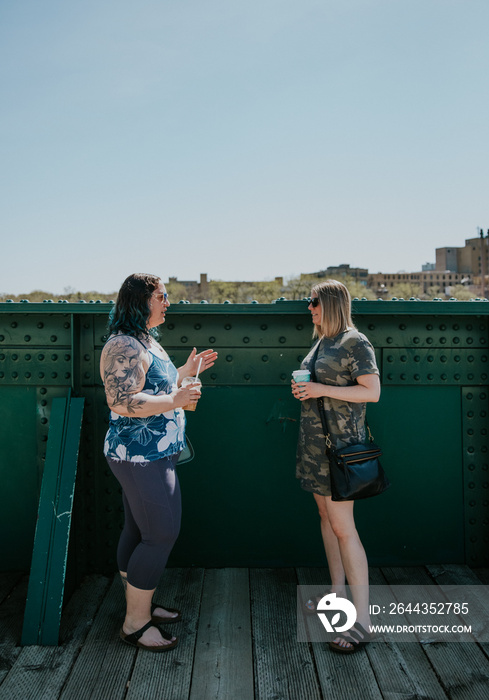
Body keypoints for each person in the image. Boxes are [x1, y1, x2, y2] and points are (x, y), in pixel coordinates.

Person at [100, 273, 217, 652]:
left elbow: (155, 386)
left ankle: (140, 604)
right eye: (162, 297)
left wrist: (184, 372)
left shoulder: (146, 341)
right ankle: (135, 623)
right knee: (161, 533)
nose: (168, 302)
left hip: (155, 453)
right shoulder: (123, 345)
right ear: (140, 301)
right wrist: (176, 401)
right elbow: (120, 401)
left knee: (138, 531)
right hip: (139, 456)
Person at [291, 279, 380, 653]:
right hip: (315, 449)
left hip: (341, 452)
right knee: (327, 521)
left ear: (330, 303)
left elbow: (371, 392)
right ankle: (336, 596)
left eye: (313, 302)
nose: (309, 308)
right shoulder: (322, 341)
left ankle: (363, 622)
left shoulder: (354, 341)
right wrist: (305, 388)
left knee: (345, 529)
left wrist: (321, 389)